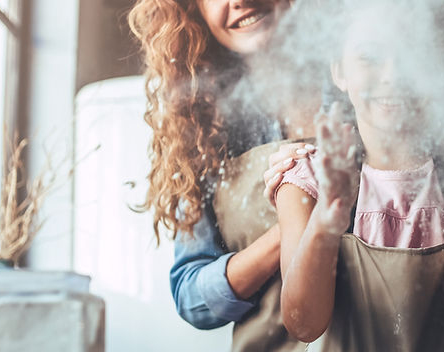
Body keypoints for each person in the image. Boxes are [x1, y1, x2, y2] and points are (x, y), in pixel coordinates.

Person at [274, 2, 444, 350]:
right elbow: (302, 325)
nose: (394, 75)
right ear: (339, 70)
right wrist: (324, 223)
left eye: (412, 54)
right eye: (370, 56)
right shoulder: (309, 179)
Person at [128, 0, 319, 350]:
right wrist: (294, 227)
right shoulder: (202, 125)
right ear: (194, 10)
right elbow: (191, 298)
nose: (239, 1)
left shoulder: (362, 79)